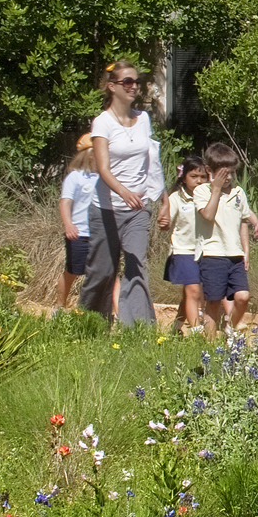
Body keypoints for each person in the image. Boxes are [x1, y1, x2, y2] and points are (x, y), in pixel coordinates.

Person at [83, 59, 163, 326]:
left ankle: (138, 330)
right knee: (101, 272)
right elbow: (103, 168)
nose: (133, 86)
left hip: (137, 209)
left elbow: (152, 161)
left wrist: (161, 198)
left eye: (136, 81)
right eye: (127, 81)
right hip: (105, 208)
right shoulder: (102, 123)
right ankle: (91, 324)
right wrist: (122, 191)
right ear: (112, 86)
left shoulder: (144, 119)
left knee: (136, 266)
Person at [195, 142, 258, 334]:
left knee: (243, 296)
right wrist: (216, 189)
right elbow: (207, 215)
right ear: (209, 170)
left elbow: (243, 218)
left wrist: (255, 224)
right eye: (224, 173)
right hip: (213, 254)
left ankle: (230, 327)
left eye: (232, 173)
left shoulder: (239, 193)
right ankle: (211, 347)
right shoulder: (202, 191)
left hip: (235, 255)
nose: (229, 178)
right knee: (213, 303)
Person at [158, 155, 209, 334]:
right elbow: (166, 225)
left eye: (203, 177)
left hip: (206, 250)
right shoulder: (176, 198)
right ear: (184, 177)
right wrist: (163, 222)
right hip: (183, 251)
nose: (199, 181)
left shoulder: (211, 197)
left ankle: (177, 327)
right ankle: (197, 334)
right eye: (194, 176)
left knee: (193, 294)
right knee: (194, 291)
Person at [55, 136, 98, 310]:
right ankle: (59, 307)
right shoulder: (75, 177)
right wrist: (68, 225)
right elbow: (65, 202)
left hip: (100, 233)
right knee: (72, 273)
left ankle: (115, 315)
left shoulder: (105, 178)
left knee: (109, 274)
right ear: (89, 154)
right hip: (79, 233)